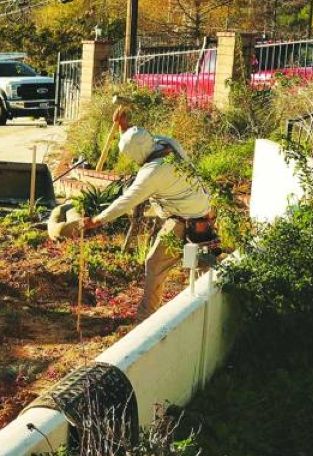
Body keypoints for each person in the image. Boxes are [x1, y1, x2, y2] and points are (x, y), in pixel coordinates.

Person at [82, 107, 214, 319]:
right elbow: (138, 142)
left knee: (155, 263)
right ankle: (206, 309)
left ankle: (146, 321)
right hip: (203, 213)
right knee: (200, 268)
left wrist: (96, 220)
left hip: (184, 222)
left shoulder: (152, 173)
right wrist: (123, 127)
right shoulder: (168, 144)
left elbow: (124, 202)